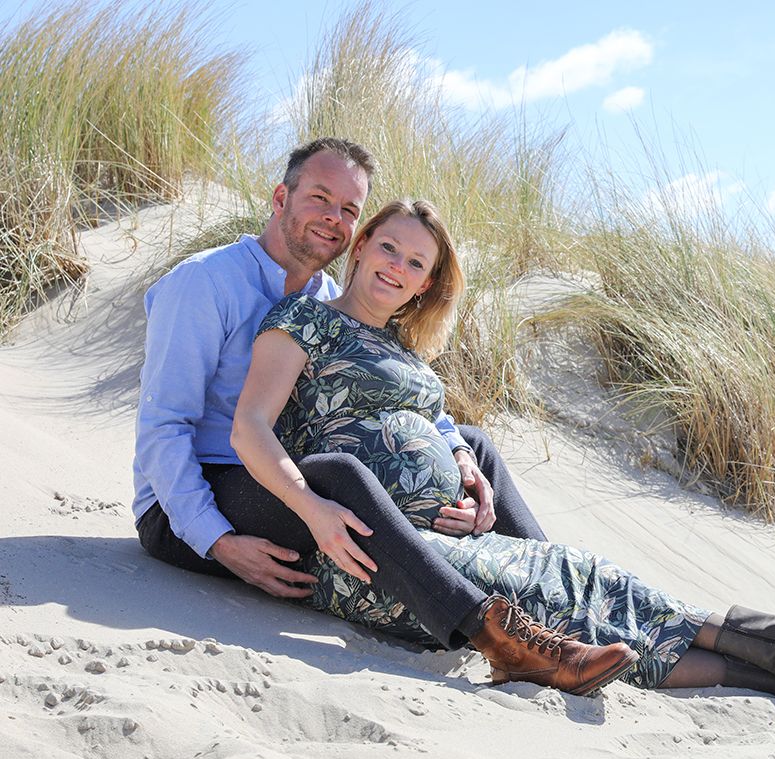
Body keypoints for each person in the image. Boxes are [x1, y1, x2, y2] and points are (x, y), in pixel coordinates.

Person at [231, 198, 775, 706]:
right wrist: (311, 510)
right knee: (560, 593)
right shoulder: (307, 321)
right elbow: (252, 426)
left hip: (451, 537)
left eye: (417, 264)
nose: (397, 268)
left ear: (425, 285)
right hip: (380, 557)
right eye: (390, 248)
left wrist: (461, 459)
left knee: (584, 581)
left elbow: (436, 424)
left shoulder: (406, 351)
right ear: (361, 247)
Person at [133, 137, 636, 695]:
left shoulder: (329, 297)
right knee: (340, 474)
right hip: (198, 500)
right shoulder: (204, 283)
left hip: (283, 483)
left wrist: (462, 455)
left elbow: (410, 404)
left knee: (471, 440)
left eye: (349, 209)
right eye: (320, 198)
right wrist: (217, 541)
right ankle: (499, 640)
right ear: (280, 197)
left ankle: (560, 609)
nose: (333, 218)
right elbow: (164, 427)